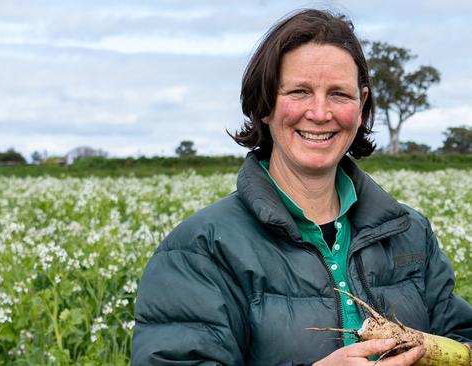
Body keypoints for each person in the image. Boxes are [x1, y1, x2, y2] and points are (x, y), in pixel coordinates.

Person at [131, 8, 472, 366]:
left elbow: (459, 337)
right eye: (299, 91)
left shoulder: (410, 234)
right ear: (264, 105)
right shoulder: (198, 251)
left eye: (339, 94)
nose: (320, 113)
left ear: (362, 104)